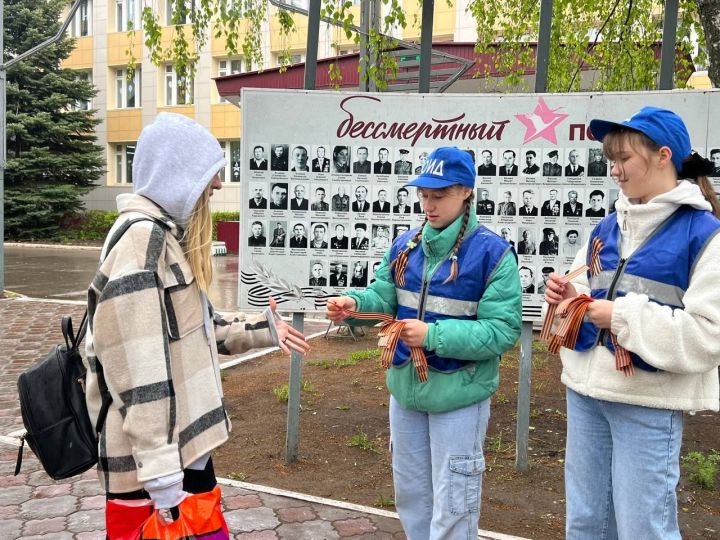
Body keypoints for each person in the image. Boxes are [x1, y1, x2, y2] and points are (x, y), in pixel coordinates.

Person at [87, 113, 309, 519]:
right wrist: (161, 472)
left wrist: (266, 329)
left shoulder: (162, 237)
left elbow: (200, 327)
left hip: (180, 454)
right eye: (210, 173)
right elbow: (138, 370)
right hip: (155, 472)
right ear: (178, 175)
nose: (219, 184)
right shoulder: (142, 244)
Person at [325, 147, 521, 540]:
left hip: (459, 397)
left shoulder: (493, 254)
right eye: (424, 195)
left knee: (454, 503)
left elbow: (502, 331)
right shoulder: (406, 245)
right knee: (412, 496)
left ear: (465, 191)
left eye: (439, 195)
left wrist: (432, 335)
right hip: (406, 393)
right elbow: (384, 294)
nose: (428, 205)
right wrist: (354, 303)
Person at [543, 106, 720, 540]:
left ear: (663, 156)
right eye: (611, 161)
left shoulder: (705, 234)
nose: (615, 172)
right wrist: (569, 299)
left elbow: (708, 337)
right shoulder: (606, 227)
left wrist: (619, 316)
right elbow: (588, 296)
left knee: (645, 529)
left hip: (647, 404)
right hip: (586, 394)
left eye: (624, 160)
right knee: (585, 524)